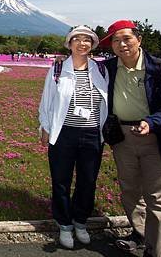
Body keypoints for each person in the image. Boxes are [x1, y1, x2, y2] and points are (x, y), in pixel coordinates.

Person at [100, 20, 161, 257]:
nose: (121, 44)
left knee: (159, 199)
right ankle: (139, 235)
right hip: (123, 138)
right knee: (130, 191)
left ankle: (157, 252)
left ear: (139, 39)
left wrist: (152, 123)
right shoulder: (107, 68)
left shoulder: (159, 69)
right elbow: (80, 70)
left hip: (158, 138)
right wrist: (60, 63)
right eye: (115, 40)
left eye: (126, 38)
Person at [38, 25, 109, 249]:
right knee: (61, 181)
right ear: (69, 44)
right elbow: (46, 100)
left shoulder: (101, 70)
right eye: (76, 39)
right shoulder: (58, 68)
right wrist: (45, 127)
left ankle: (80, 222)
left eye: (86, 40)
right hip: (64, 133)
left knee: (88, 181)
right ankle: (65, 225)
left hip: (91, 134)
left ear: (92, 44)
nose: (82, 43)